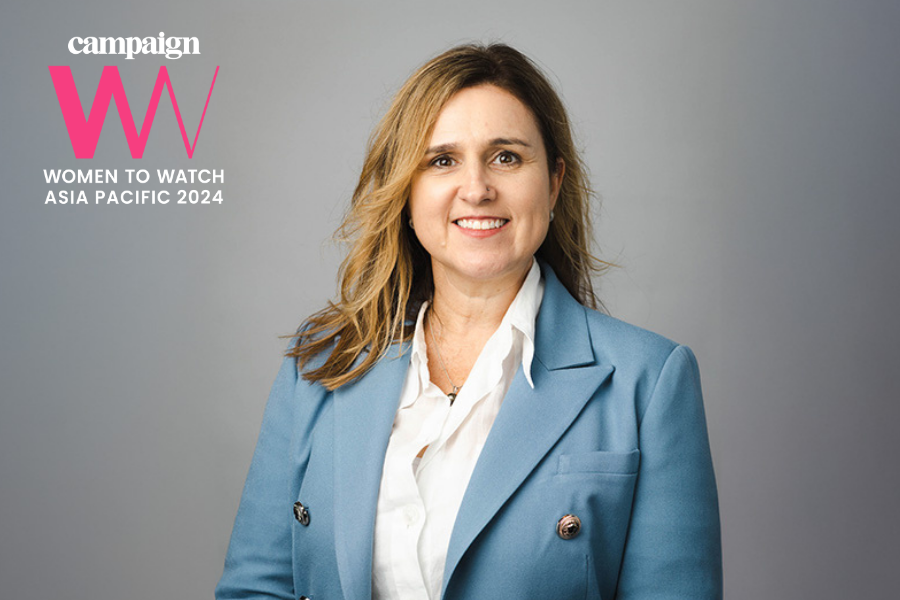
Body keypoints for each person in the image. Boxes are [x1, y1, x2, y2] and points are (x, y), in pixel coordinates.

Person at [215, 43, 722, 600]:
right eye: (442, 160)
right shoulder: (320, 367)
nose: (477, 188)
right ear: (406, 192)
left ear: (554, 182)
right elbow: (256, 588)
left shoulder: (649, 381)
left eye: (506, 157)